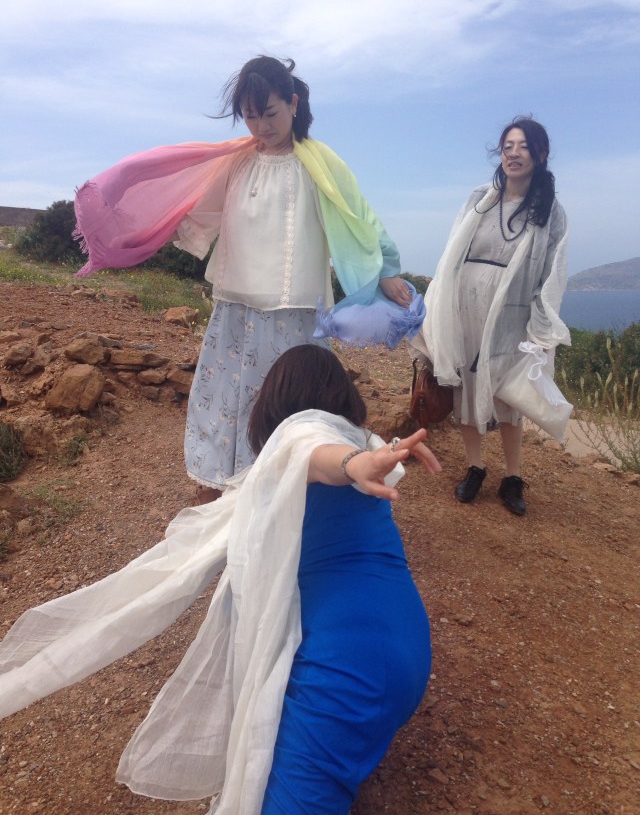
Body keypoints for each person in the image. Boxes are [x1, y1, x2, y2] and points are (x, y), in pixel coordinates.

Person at [0, 345, 441, 815]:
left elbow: (313, 453)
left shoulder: (305, 431)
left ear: (277, 400)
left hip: (345, 671)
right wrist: (360, 459)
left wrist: (351, 464)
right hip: (409, 647)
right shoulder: (364, 439)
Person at [72, 56, 423, 506]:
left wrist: (388, 272)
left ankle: (290, 485)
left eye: (270, 113)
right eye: (251, 116)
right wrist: (144, 230)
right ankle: (222, 483)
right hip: (235, 305)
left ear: (293, 103)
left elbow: (361, 217)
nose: (261, 126)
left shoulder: (319, 164)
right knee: (224, 397)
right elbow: (199, 212)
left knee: (291, 400)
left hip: (293, 311)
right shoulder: (237, 162)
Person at [410, 117, 570, 515]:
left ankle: (513, 477)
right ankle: (475, 467)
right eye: (508, 146)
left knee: (509, 394)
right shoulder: (480, 199)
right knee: (467, 387)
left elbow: (553, 273)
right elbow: (452, 254)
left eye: (523, 146)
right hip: (466, 309)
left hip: (513, 316)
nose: (514, 154)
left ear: (541, 154)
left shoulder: (550, 211)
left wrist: (542, 328)